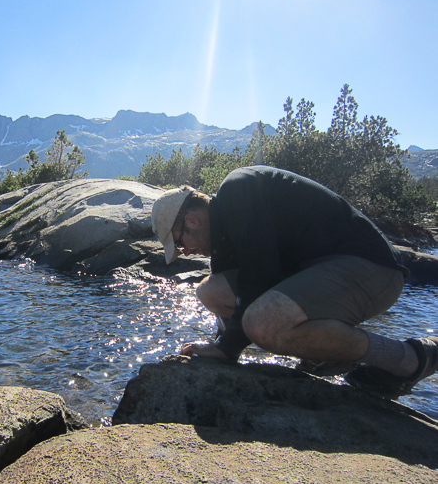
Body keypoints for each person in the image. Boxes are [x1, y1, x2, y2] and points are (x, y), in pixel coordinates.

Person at [151, 165, 437, 400]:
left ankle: (411, 359)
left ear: (192, 220)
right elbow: (236, 299)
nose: (184, 252)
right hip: (321, 272)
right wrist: (221, 349)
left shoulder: (237, 189)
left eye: (179, 243)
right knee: (209, 291)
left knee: (262, 322)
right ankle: (327, 356)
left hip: (373, 269)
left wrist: (227, 348)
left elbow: (259, 273)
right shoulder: (226, 234)